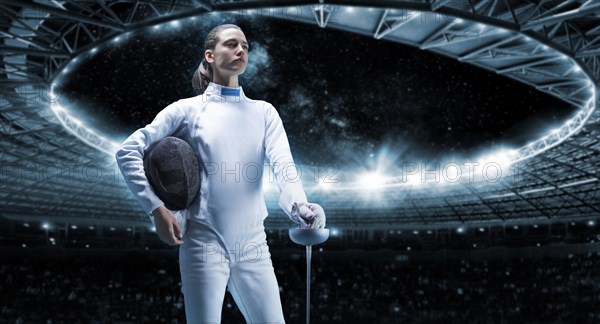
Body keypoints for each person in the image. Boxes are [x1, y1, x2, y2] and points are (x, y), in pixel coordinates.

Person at [115, 23, 326, 323]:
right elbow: (127, 152)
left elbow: (284, 167)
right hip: (203, 242)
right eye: (231, 44)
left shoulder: (264, 112)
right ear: (210, 55)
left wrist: (300, 206)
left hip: (254, 244)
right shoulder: (185, 110)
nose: (241, 50)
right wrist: (156, 209)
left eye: (245, 46)